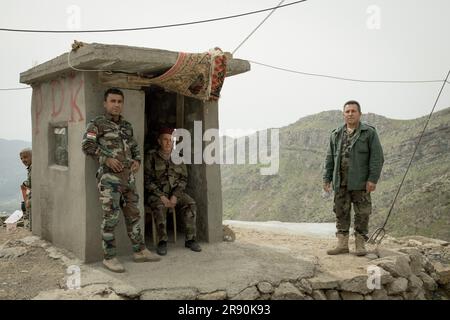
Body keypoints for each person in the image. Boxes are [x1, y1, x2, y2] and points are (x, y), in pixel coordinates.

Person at [82, 88, 160, 273]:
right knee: (110, 219)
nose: (116, 105)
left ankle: (139, 251)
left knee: (134, 215)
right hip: (109, 180)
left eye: (119, 101)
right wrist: (106, 158)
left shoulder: (126, 126)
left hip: (128, 179)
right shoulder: (97, 124)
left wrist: (137, 160)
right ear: (105, 103)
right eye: (113, 101)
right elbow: (87, 145)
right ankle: (109, 257)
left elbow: (133, 145)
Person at [323, 100, 384, 256]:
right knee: (340, 212)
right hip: (340, 181)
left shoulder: (369, 133)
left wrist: (372, 179)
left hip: (361, 182)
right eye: (347, 111)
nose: (350, 114)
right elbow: (330, 157)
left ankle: (360, 244)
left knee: (362, 213)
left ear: (359, 114)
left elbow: (377, 158)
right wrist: (327, 178)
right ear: (344, 114)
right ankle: (342, 244)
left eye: (353, 111)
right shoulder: (335, 134)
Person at [144, 127, 202, 256]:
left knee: (191, 203)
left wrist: (175, 196)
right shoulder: (151, 156)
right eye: (165, 139)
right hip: (156, 194)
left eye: (171, 140)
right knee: (159, 206)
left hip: (175, 193)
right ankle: (162, 242)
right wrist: (161, 196)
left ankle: (190, 239)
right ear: (159, 141)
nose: (168, 142)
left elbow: (183, 179)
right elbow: (147, 180)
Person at [19, 148, 32, 231]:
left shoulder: (33, 167)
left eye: (25, 157)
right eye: (21, 158)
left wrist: (25, 183)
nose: (23, 160)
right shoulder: (30, 167)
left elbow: (32, 183)